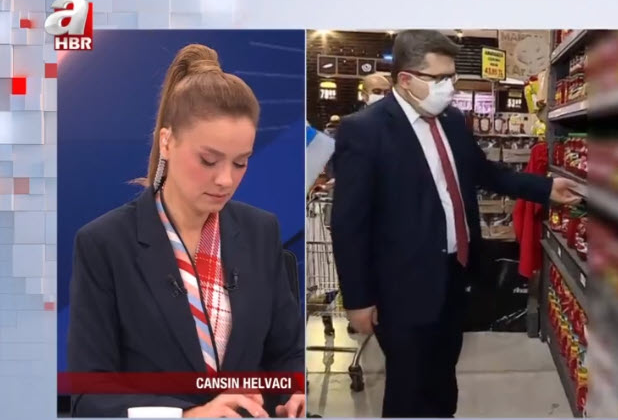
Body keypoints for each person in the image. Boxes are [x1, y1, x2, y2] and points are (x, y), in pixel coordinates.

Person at [330, 30, 583, 418]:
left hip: (454, 274)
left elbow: (486, 173)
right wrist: (358, 299)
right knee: (408, 389)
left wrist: (545, 188)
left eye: (452, 77)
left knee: (443, 378)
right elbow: (349, 222)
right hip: (401, 286)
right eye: (439, 78)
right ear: (406, 79)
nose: (449, 87)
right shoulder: (365, 130)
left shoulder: (451, 120)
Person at [67, 44, 306, 418]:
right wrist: (186, 415)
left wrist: (295, 392)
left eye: (240, 163)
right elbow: (88, 397)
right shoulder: (105, 244)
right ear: (167, 142)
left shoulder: (261, 231)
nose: (225, 180)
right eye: (208, 160)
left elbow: (287, 352)